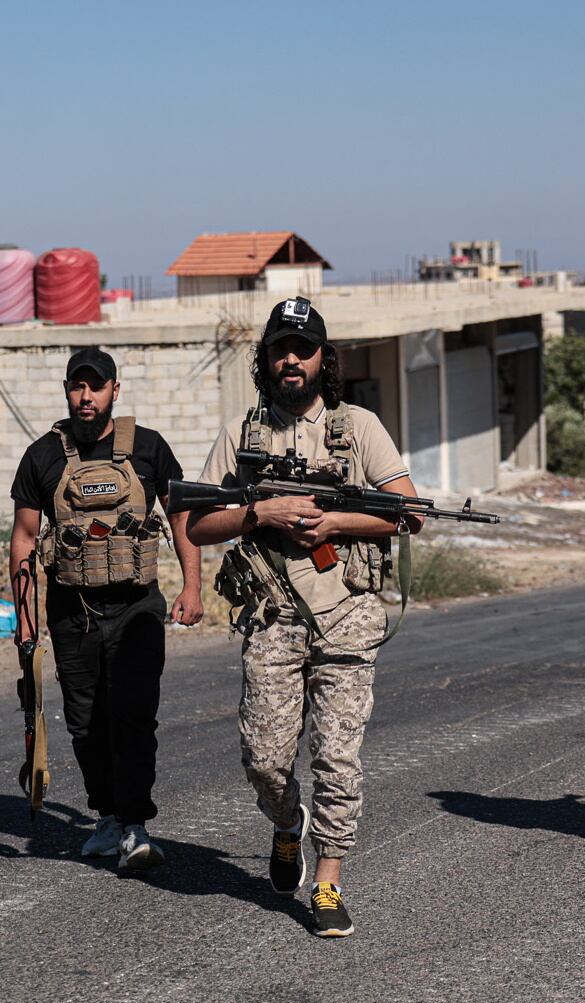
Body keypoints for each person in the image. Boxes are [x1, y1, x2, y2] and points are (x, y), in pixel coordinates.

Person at [187, 296, 422, 937]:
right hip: (270, 615)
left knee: (337, 758)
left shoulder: (359, 429)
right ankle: (287, 823)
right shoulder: (243, 434)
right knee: (264, 757)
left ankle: (327, 882)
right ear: (265, 359)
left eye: (303, 348)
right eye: (279, 349)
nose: (291, 359)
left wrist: (335, 519)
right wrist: (261, 514)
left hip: (346, 612)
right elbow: (199, 522)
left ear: (324, 357)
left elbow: (411, 511)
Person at [8, 346, 203, 873]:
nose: (85, 396)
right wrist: (25, 623)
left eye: (96, 386)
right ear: (67, 391)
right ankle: (109, 817)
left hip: (137, 606)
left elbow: (181, 516)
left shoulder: (148, 448)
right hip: (72, 611)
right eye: (78, 386)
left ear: (115, 390)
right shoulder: (43, 456)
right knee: (84, 722)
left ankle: (135, 823)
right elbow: (24, 541)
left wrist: (192, 586)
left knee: (133, 716)